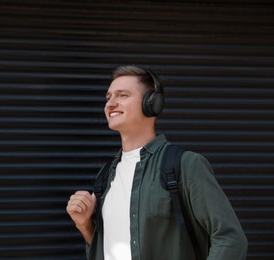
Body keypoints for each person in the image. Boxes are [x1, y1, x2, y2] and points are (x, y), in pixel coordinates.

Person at [66, 65, 248, 260]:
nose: (111, 103)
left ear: (152, 103)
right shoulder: (106, 175)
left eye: (122, 95)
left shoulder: (185, 164)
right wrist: (84, 224)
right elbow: (108, 248)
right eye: (108, 97)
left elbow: (230, 238)